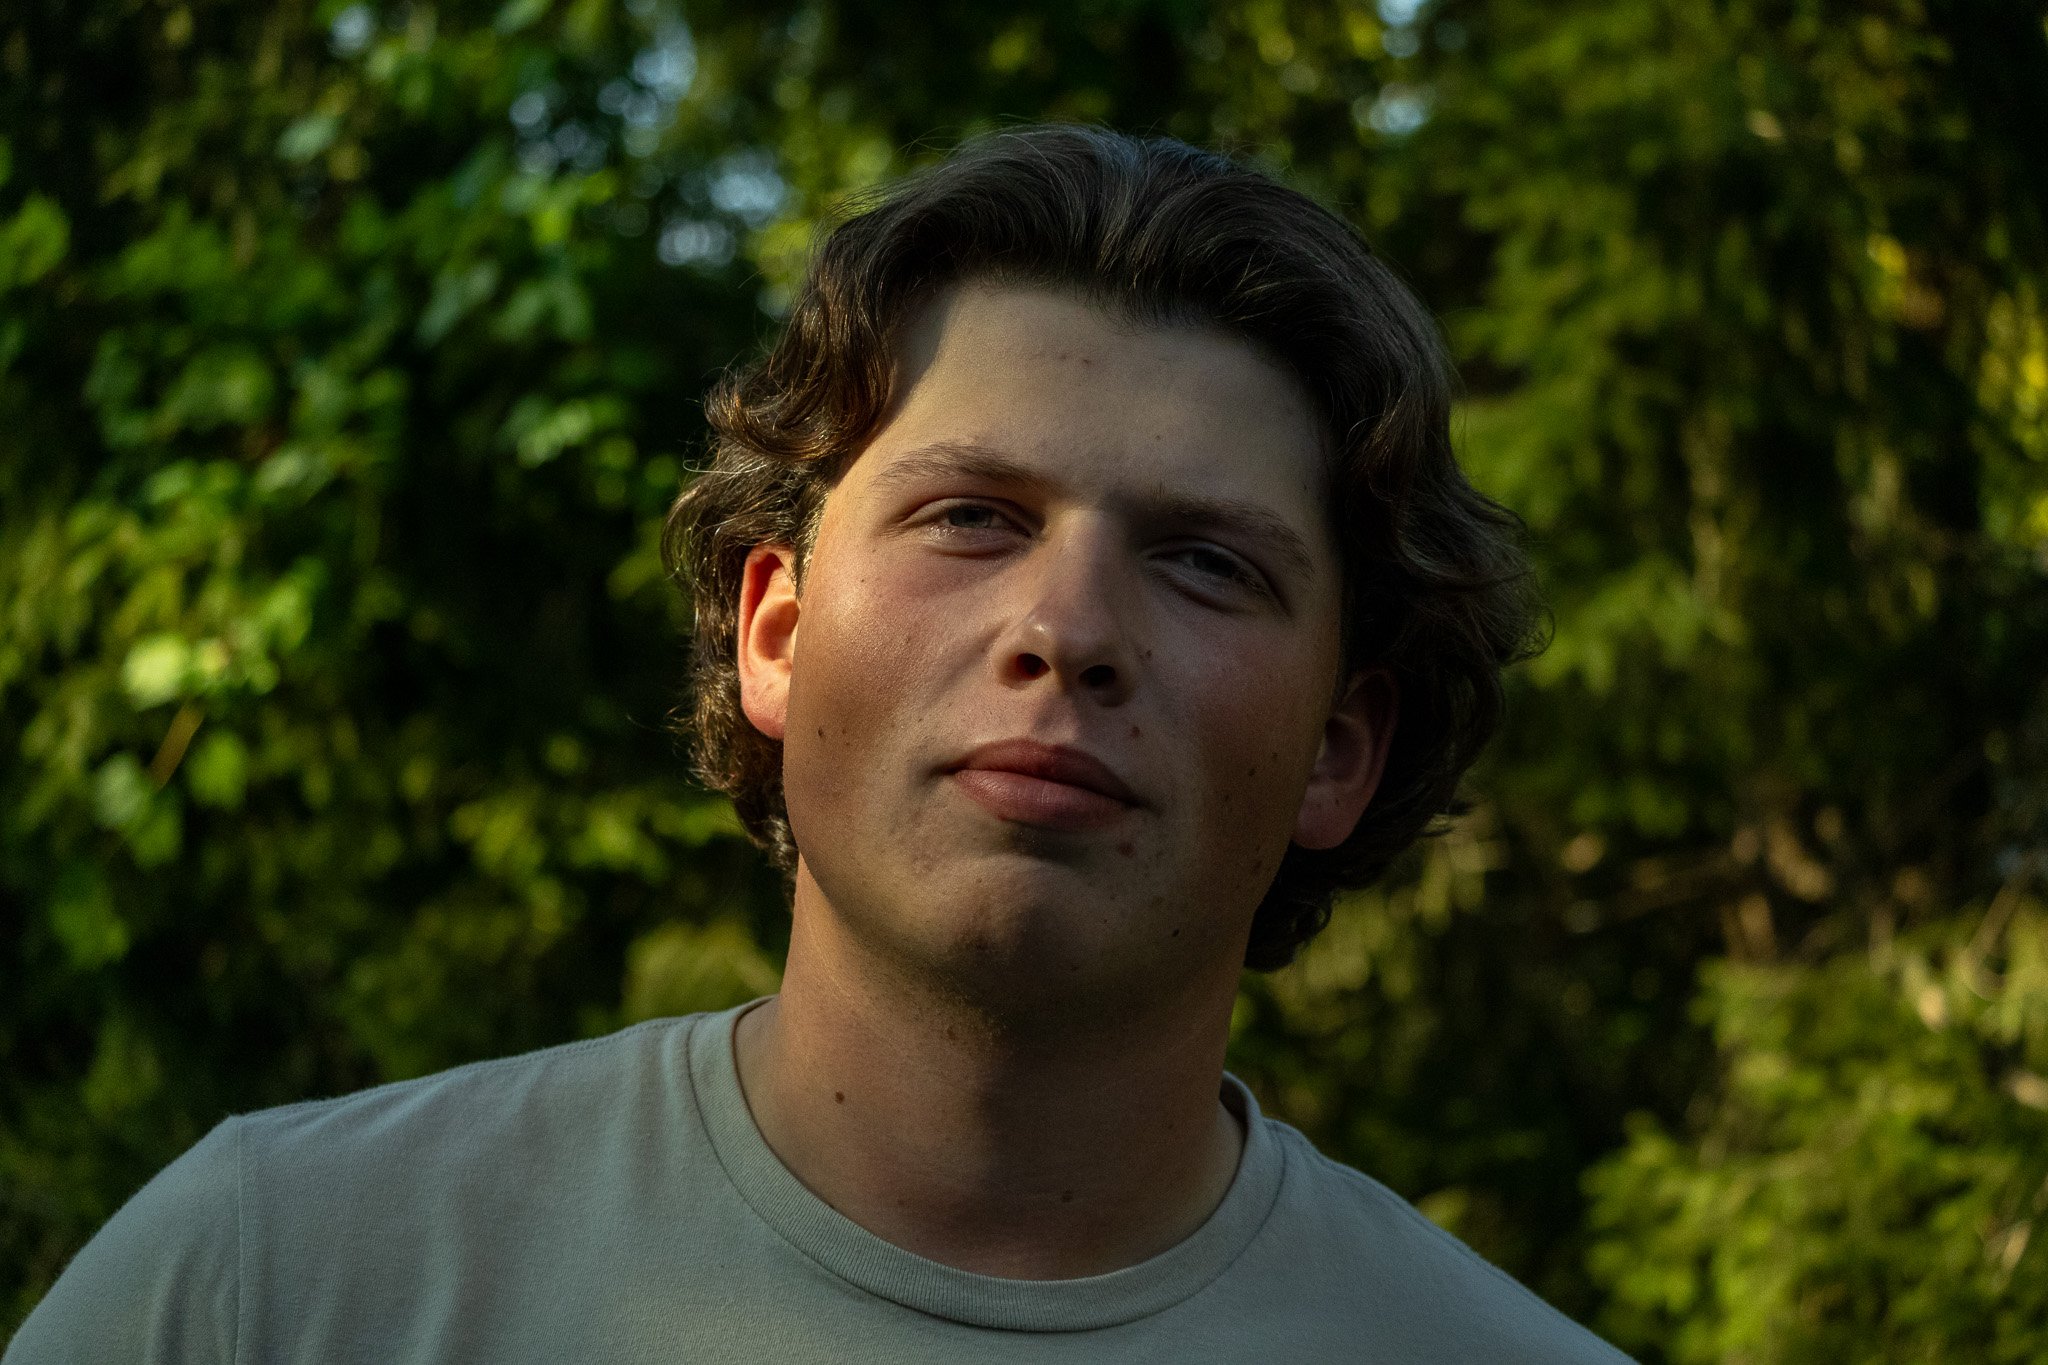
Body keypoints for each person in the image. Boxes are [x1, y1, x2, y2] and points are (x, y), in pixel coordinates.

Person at [6, 124, 1630, 1362]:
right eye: (971, 516)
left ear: (1343, 748)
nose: (1065, 628)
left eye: (1206, 560)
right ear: (776, 629)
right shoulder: (267, 1285)